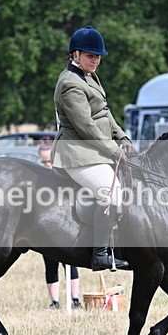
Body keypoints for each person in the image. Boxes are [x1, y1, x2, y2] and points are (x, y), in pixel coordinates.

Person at [51, 26, 134, 271]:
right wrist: (112, 150)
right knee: (111, 194)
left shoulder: (89, 77)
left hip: (94, 150)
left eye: (97, 56)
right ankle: (100, 255)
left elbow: (104, 113)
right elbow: (86, 126)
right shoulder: (70, 83)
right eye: (90, 55)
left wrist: (122, 136)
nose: (95, 60)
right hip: (78, 154)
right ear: (75, 55)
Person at [39, 142, 81, 309]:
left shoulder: (62, 176)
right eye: (43, 162)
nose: (47, 165)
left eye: (49, 161)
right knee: (50, 264)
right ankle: (54, 301)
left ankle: (75, 299)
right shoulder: (39, 179)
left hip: (65, 227)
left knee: (71, 264)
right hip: (46, 230)